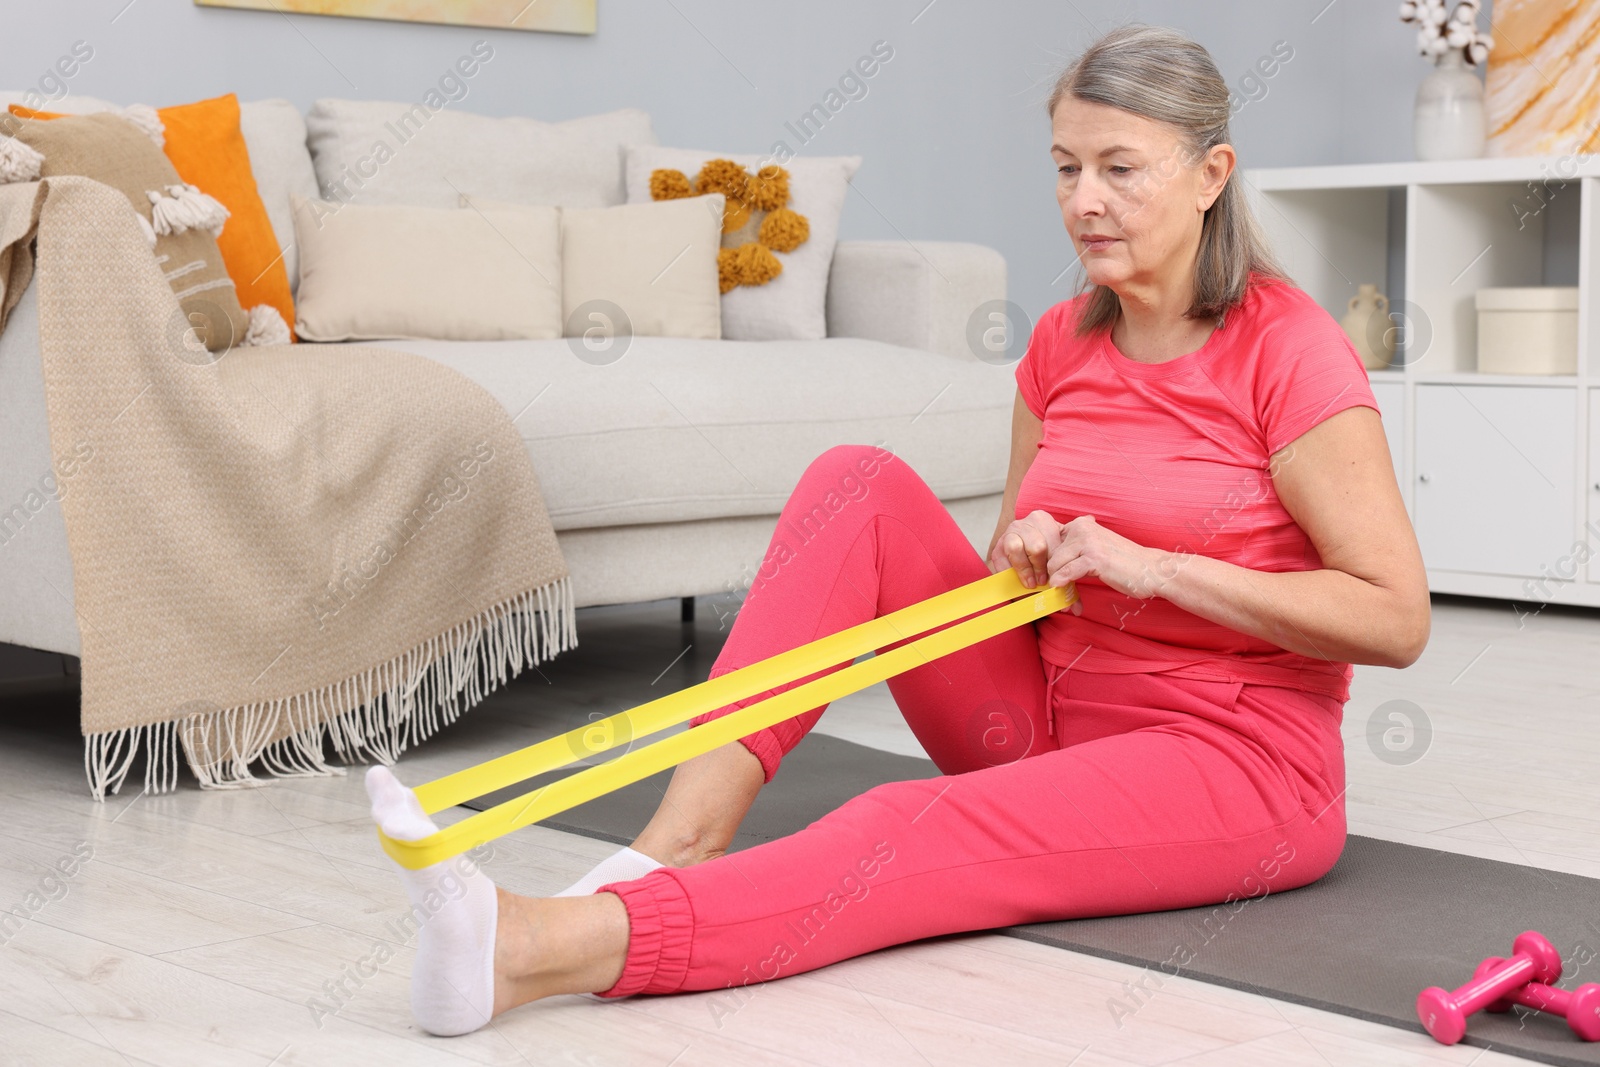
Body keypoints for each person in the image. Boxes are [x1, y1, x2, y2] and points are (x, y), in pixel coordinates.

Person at [365, 24, 1431, 1036]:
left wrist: (1155, 566)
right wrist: (1024, 558)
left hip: (1229, 756)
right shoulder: (1063, 342)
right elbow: (1006, 578)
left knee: (898, 824)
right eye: (1065, 168)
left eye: (1120, 167)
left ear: (1210, 175)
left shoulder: (1288, 350)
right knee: (855, 482)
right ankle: (671, 844)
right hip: (1046, 711)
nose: (1084, 200)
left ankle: (536, 945)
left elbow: (1392, 616)